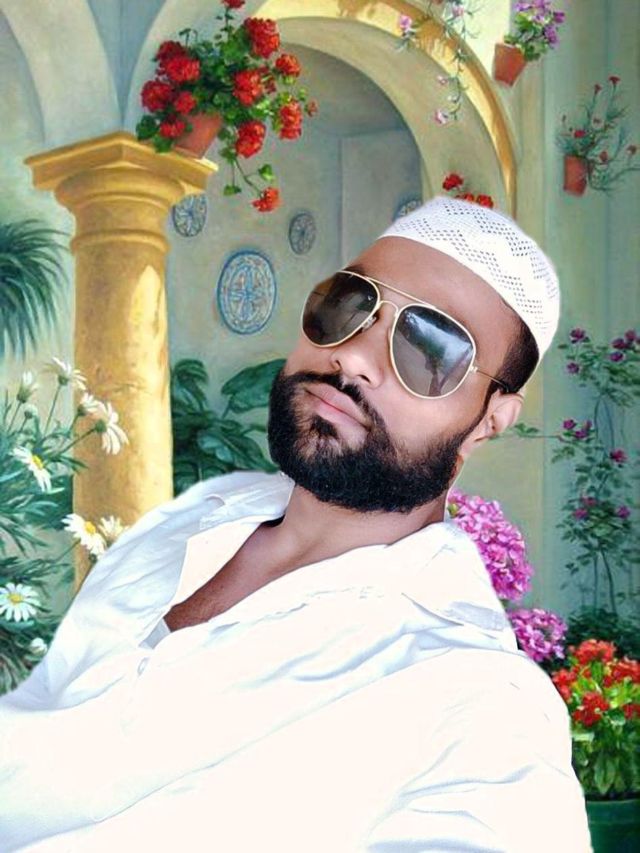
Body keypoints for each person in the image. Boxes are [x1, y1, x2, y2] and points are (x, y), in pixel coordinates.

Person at [0, 196, 592, 852]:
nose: (354, 356)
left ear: (491, 419)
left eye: (431, 347)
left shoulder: (474, 696)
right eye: (349, 303)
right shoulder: (192, 521)